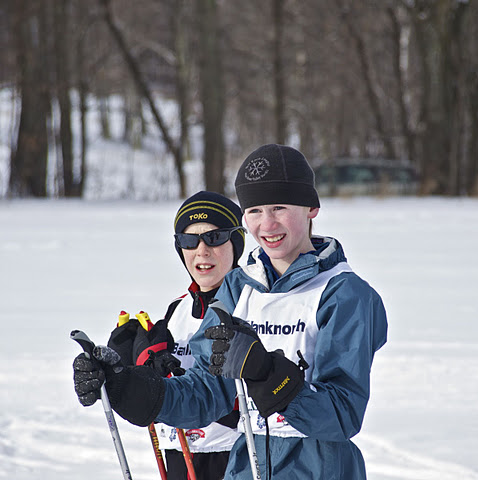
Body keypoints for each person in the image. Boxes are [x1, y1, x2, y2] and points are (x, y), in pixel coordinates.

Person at [74, 144, 388, 479]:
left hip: (320, 469)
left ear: (311, 207)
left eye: (279, 207)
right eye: (254, 211)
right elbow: (204, 392)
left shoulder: (344, 294)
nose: (267, 224)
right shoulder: (238, 288)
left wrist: (268, 374)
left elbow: (342, 415)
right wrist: (125, 385)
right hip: (246, 467)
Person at [82, 191, 246, 479]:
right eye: (189, 240)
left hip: (234, 456)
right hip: (178, 453)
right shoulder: (177, 310)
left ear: (236, 243)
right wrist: (128, 374)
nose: (202, 250)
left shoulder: (253, 304)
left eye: (215, 237)